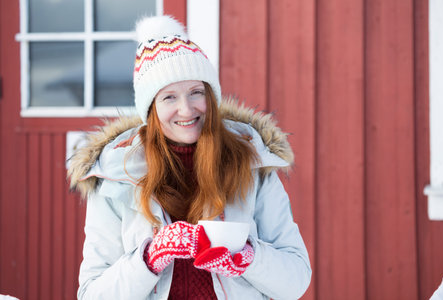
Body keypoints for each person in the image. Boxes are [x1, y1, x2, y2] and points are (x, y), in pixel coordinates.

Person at [68, 15, 311, 300]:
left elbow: (296, 281)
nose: (186, 110)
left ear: (211, 97)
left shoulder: (252, 165)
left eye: (196, 92)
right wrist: (148, 259)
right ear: (151, 109)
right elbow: (91, 295)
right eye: (169, 97)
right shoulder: (115, 177)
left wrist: (248, 257)